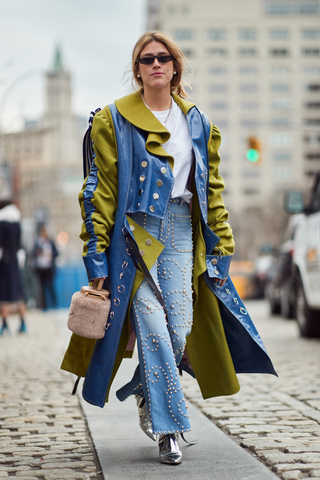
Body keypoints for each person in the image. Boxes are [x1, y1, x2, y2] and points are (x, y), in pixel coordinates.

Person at [61, 31, 276, 465]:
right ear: (137, 70)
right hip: (132, 238)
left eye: (164, 58)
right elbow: (98, 192)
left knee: (176, 331)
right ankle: (169, 429)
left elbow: (211, 193)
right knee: (154, 328)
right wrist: (96, 255)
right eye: (146, 59)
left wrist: (221, 250)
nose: (155, 64)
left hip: (181, 233)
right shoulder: (112, 120)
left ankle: (148, 394)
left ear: (175, 67)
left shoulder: (199, 123)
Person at [0, 199, 26, 334]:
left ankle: (4, 325)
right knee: (18, 293)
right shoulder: (17, 222)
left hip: (4, 262)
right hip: (15, 261)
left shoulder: (1, 222)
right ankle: (23, 323)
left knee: (4, 294)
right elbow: (20, 244)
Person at [33, 226, 58, 310]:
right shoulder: (37, 243)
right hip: (41, 269)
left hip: (49, 268)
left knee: (51, 287)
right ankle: (44, 306)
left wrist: (51, 255)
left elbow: (56, 253)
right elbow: (33, 253)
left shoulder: (50, 242)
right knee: (42, 288)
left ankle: (54, 305)